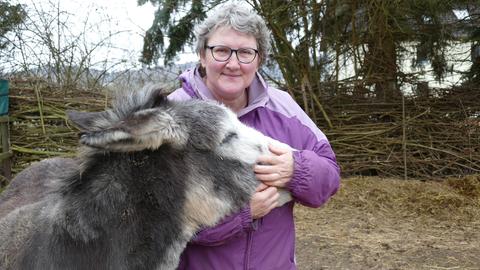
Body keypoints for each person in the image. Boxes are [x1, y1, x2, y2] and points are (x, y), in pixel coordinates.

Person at [168, 2, 341, 269]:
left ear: (259, 59)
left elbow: (329, 177)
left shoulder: (283, 108)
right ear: (202, 55)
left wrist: (298, 170)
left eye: (246, 52)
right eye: (222, 51)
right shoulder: (172, 117)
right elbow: (154, 216)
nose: (233, 64)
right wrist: (242, 213)